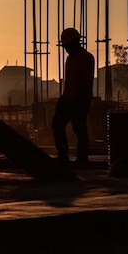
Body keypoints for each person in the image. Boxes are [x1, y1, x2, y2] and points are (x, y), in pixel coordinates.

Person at [51, 28, 95, 167]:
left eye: (67, 46)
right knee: (57, 125)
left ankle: (82, 159)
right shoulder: (69, 59)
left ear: (75, 43)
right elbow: (69, 82)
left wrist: (75, 99)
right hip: (68, 98)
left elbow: (86, 83)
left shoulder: (87, 58)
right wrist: (64, 98)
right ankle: (63, 155)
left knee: (79, 128)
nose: (66, 49)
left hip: (80, 101)